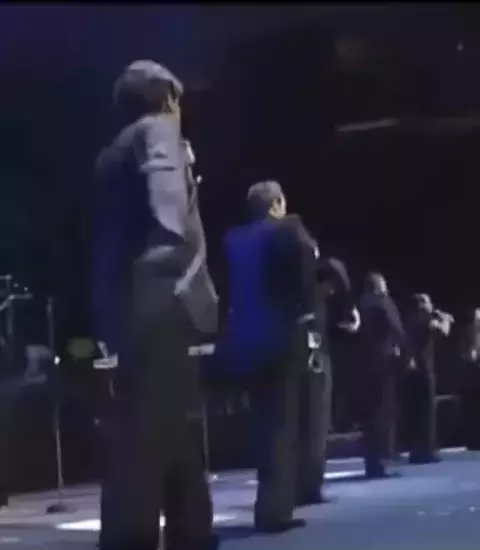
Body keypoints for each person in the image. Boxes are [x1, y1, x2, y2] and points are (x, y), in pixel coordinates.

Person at [93, 60, 219, 550]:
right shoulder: (157, 133)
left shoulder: (111, 153)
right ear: (166, 97)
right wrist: (176, 292)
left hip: (127, 309)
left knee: (174, 433)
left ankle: (194, 531)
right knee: (145, 444)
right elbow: (169, 221)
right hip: (162, 307)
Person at [218, 180, 316, 533]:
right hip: (281, 338)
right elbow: (305, 277)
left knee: (263, 426)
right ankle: (275, 510)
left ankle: (268, 502)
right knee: (283, 425)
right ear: (276, 203)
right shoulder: (289, 230)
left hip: (245, 341)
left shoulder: (233, 239)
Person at [296, 252, 360, 505]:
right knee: (314, 429)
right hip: (314, 364)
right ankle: (309, 486)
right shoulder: (312, 299)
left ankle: (307, 485)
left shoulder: (310, 299)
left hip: (312, 361)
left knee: (311, 430)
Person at [357, 272, 413, 478]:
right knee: (383, 411)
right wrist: (406, 349)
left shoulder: (361, 303)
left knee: (371, 414)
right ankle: (381, 459)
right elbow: (395, 326)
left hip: (365, 362)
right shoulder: (381, 302)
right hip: (384, 359)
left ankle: (372, 461)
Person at [403, 293, 453, 464]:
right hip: (424, 369)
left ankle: (417, 449)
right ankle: (427, 449)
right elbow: (444, 331)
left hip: (414, 369)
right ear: (422, 305)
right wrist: (445, 318)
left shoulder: (410, 319)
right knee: (428, 410)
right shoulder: (424, 319)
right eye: (428, 302)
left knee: (416, 411)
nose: (431, 304)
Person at [458, 307, 480, 450]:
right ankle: (472, 440)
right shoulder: (467, 332)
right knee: (472, 409)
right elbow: (464, 353)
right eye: (476, 318)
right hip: (471, 376)